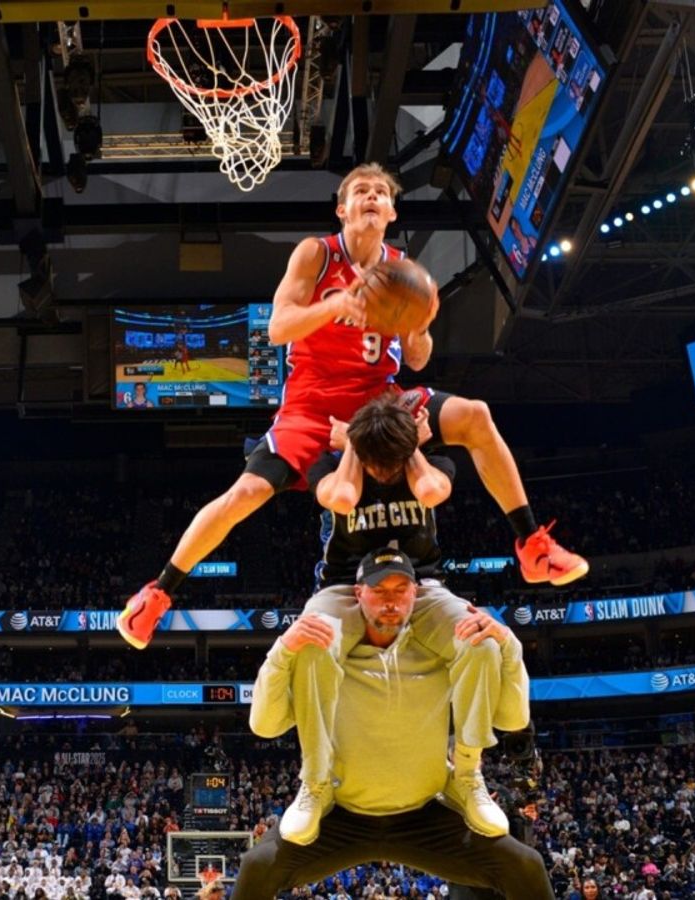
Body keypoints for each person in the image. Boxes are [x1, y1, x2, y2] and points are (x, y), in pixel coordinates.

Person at [118, 162, 588, 648]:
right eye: (360, 190)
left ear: (390, 211)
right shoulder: (316, 255)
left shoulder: (404, 272)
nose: (370, 196)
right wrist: (337, 305)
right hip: (312, 404)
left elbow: (419, 359)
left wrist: (419, 327)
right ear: (342, 209)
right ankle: (157, 594)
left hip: (381, 400)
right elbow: (278, 328)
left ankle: (533, 546)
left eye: (380, 193)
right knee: (247, 494)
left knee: (476, 416)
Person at [225, 546, 551, 900]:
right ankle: (314, 785)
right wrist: (282, 650)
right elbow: (265, 725)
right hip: (342, 814)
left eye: (400, 590)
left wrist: (509, 645)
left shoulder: (445, 649)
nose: (390, 602)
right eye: (379, 591)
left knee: (525, 866)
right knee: (257, 865)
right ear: (358, 594)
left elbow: (513, 719)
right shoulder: (324, 652)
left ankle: (467, 779)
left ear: (417, 594)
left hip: (424, 814)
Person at [281, 393, 520, 844]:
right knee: (310, 646)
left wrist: (412, 448)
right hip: (344, 587)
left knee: (480, 641)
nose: (384, 474)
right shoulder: (333, 467)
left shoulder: (427, 465)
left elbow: (431, 490)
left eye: (392, 463)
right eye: (377, 463)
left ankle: (467, 774)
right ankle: (314, 782)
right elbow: (342, 498)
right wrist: (353, 446)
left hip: (422, 586)